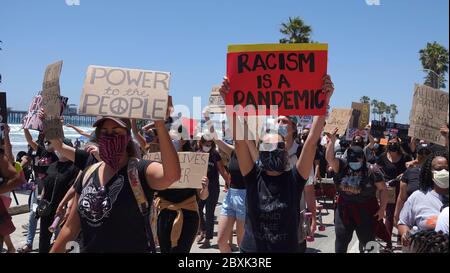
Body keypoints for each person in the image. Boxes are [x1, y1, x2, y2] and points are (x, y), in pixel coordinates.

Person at [218, 75, 334, 253]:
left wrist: (324, 101)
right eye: (268, 146)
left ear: (285, 151)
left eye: (279, 146)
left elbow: (311, 142)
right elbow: (239, 141)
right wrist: (229, 102)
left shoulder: (294, 179)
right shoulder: (252, 176)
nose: (273, 150)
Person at [50, 116, 181, 253]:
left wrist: (160, 126)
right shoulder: (88, 173)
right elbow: (70, 227)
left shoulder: (139, 170)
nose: (109, 136)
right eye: (104, 132)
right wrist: (50, 123)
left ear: (127, 137)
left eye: (116, 132)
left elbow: (171, 175)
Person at [326, 128, 388, 253]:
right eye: (352, 160)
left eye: (358, 160)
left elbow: (383, 189)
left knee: (370, 243)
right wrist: (332, 141)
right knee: (341, 239)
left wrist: (382, 209)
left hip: (365, 211)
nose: (355, 163)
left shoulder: (372, 171)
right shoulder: (341, 166)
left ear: (363, 159)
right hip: (345, 210)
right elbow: (330, 159)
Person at [154, 127, 209, 253]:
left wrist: (205, 187)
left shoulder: (195, 161)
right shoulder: (157, 160)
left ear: (183, 141)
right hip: (165, 213)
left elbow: (203, 196)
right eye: (167, 139)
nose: (170, 142)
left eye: (173, 139)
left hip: (188, 215)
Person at [17, 129, 59, 253]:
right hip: (38, 189)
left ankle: (57, 242)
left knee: (55, 216)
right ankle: (29, 244)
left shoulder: (55, 156)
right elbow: (29, 140)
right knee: (32, 216)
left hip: (51, 191)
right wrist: (25, 128)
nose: (47, 143)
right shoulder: (40, 150)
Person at [398, 150, 449, 247]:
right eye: (438, 169)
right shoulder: (418, 197)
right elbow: (403, 223)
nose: (444, 172)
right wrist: (405, 234)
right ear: (430, 172)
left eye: (447, 169)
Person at [37, 138, 79, 253]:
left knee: (64, 240)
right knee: (44, 237)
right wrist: (41, 199)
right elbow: (46, 184)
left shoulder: (75, 167)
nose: (58, 150)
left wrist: (69, 207)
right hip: (48, 208)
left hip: (63, 210)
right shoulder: (52, 165)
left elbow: (75, 189)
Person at [377, 136, 413, 248]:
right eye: (391, 143)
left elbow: (411, 169)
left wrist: (404, 174)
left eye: (395, 143)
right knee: (389, 214)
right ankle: (388, 242)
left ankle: (399, 236)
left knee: (401, 214)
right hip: (388, 189)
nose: (392, 145)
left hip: (402, 188)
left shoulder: (405, 157)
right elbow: (377, 169)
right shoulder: (383, 157)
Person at [197, 135, 230, 249]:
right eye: (206, 144)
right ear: (201, 143)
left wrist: (229, 183)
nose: (208, 146)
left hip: (213, 186)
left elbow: (222, 170)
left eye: (210, 144)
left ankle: (208, 238)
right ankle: (203, 230)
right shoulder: (197, 154)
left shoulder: (215, 154)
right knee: (198, 209)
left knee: (210, 212)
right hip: (199, 187)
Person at [394, 144, 432, 226]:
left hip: (430, 218)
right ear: (417, 154)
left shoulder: (438, 173)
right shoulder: (410, 172)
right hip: (410, 218)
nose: (424, 155)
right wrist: (396, 216)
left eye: (427, 152)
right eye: (421, 152)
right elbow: (401, 197)